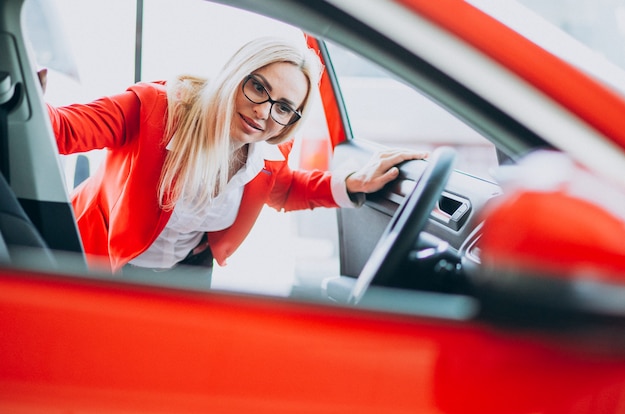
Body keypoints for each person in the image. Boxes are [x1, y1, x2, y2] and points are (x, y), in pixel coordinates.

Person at [46, 36, 426, 275]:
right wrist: (25, 86)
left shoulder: (270, 148)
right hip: (101, 260)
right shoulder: (153, 108)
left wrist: (351, 183)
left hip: (187, 271)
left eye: (284, 107)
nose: (264, 111)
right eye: (258, 87)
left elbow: (282, 190)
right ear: (235, 74)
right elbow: (60, 130)